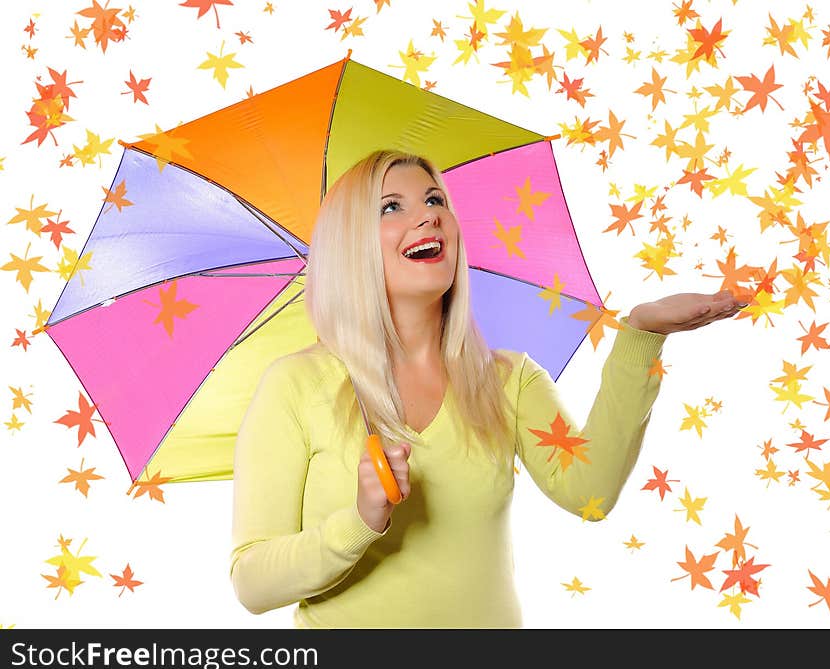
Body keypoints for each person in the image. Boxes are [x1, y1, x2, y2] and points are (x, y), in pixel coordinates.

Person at [229, 149, 748, 628]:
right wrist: (361, 521)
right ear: (349, 247)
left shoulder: (508, 380)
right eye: (392, 206)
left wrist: (642, 334)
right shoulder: (295, 387)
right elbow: (252, 583)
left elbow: (590, 493)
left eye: (435, 200)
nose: (429, 215)